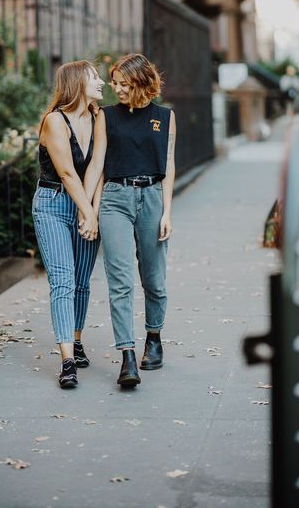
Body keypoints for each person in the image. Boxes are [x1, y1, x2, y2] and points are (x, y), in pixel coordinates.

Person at [84, 53, 176, 388]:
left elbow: (169, 164)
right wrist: (89, 209)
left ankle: (153, 338)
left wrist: (167, 210)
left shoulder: (165, 117)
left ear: (139, 82)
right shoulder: (107, 117)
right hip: (115, 200)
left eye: (123, 84)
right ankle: (127, 356)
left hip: (152, 197)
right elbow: (97, 164)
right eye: (114, 83)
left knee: (154, 279)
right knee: (120, 282)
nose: (116, 89)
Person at [32, 60, 105, 389]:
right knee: (63, 281)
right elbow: (65, 172)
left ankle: (76, 339)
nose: (101, 82)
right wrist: (85, 212)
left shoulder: (98, 116)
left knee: (81, 282)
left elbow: (98, 168)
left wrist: (91, 209)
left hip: (86, 202)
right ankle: (67, 360)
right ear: (77, 83)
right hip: (52, 205)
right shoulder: (54, 121)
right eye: (95, 77)